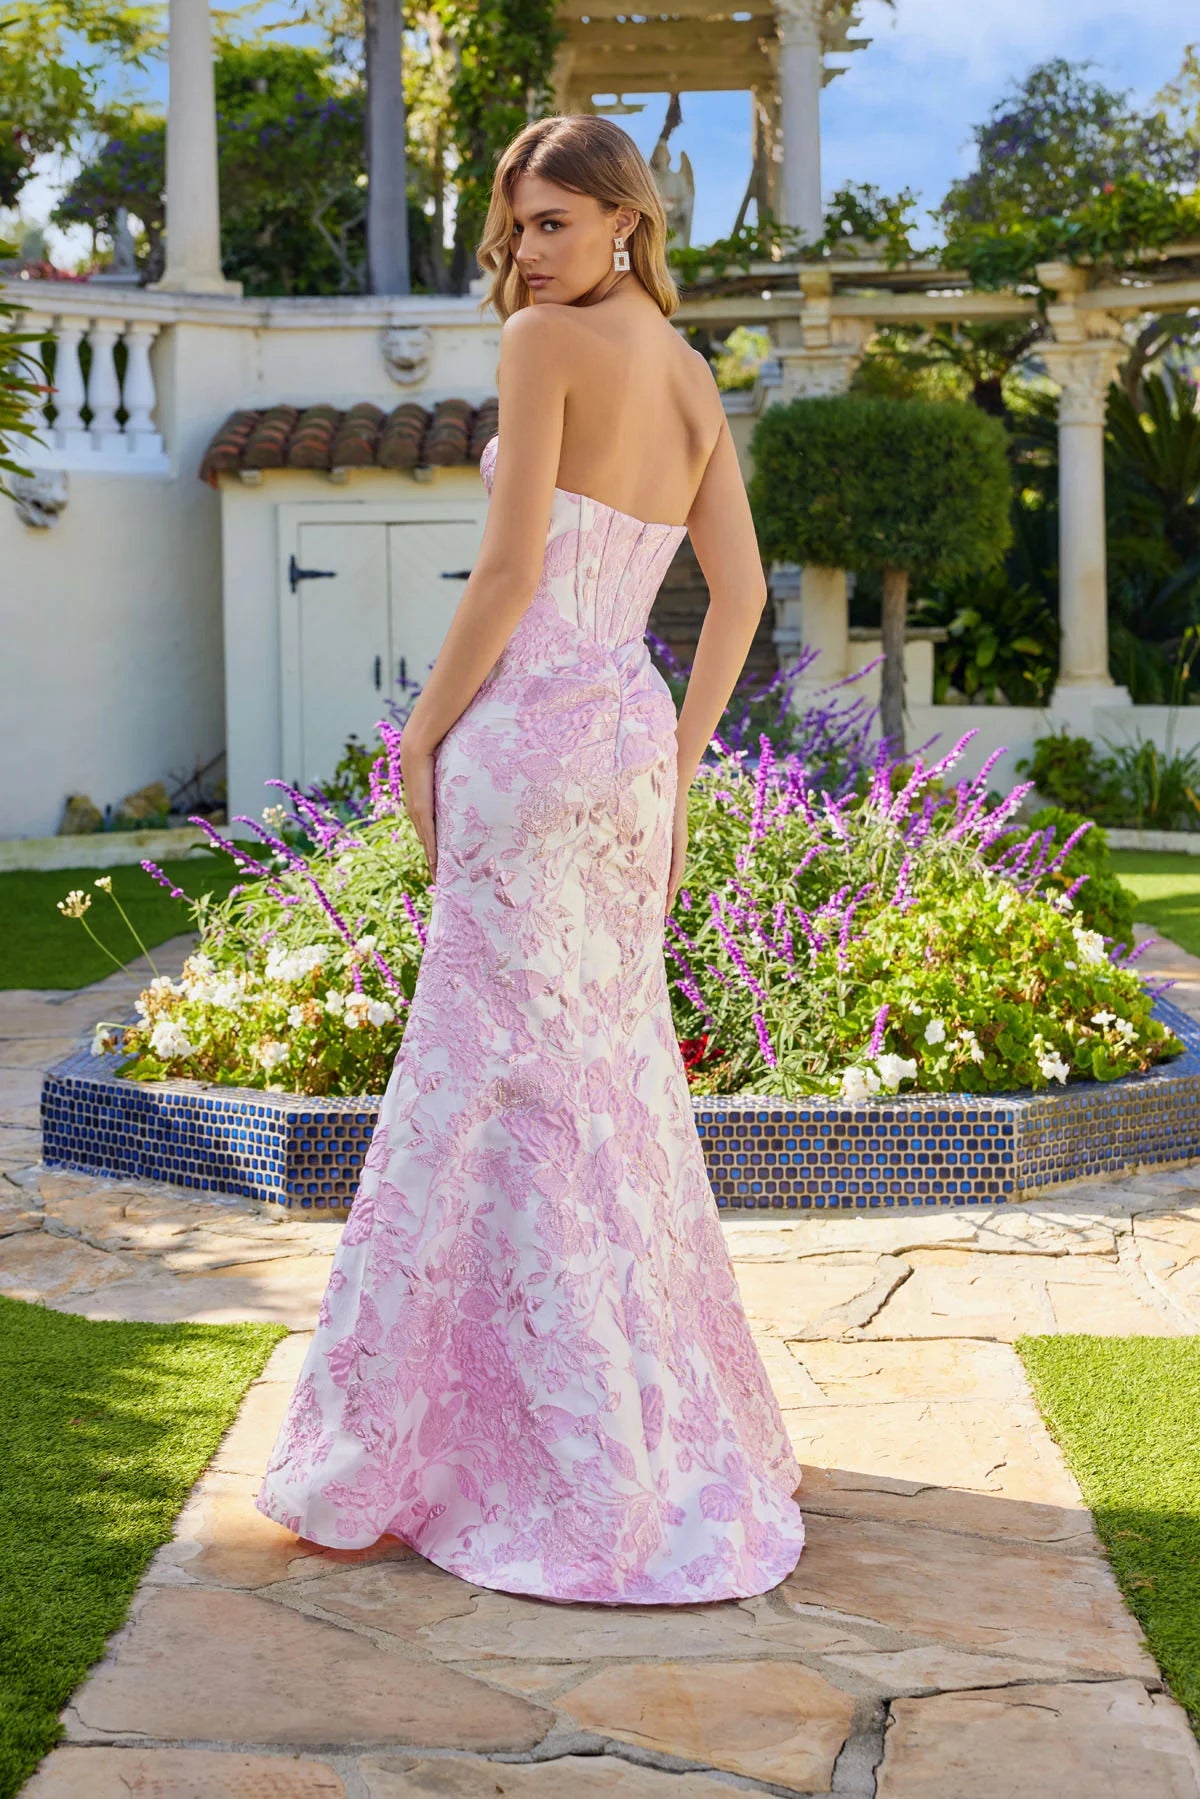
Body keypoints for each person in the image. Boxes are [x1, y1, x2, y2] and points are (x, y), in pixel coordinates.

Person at [255, 113, 806, 1605]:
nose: (525, 252)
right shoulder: (690, 376)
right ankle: (637, 1429)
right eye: (516, 227)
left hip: (526, 743)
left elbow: (507, 573)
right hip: (622, 744)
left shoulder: (543, 351)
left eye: (552, 222)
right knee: (604, 1080)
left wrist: (420, 736)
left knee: (482, 1076)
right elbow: (740, 595)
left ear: (625, 219)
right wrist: (678, 755)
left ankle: (474, 1446)